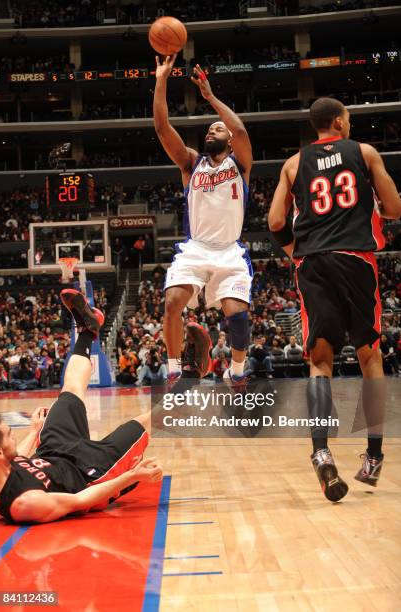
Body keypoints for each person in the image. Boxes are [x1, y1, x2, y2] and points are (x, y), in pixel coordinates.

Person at [268, 97, 401, 501]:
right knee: (370, 358)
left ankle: (321, 451)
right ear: (340, 123)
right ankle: (373, 458)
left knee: (320, 363)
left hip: (313, 264)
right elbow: (394, 208)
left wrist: (296, 252)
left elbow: (275, 222)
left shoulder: (293, 164)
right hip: (356, 259)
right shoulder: (363, 152)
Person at [0, 289, 162, 524]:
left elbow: (19, 457)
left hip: (53, 450)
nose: (14, 437)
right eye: (10, 436)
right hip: (89, 473)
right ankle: (191, 381)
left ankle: (87, 330)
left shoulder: (3, 465)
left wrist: (34, 431)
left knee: (70, 391)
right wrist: (130, 477)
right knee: (143, 422)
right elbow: (81, 500)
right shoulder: (26, 503)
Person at [154, 54, 253, 387]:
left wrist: (210, 97)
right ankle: (173, 369)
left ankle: (236, 371)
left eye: (218, 128)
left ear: (228, 139)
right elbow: (162, 128)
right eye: (210, 128)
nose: (213, 130)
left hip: (229, 252)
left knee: (237, 316)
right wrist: (161, 79)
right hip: (195, 249)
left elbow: (238, 128)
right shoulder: (191, 164)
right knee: (171, 302)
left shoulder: (240, 165)